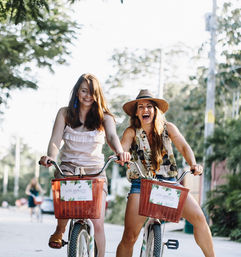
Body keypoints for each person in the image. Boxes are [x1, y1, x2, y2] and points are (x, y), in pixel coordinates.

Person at [116, 89, 216, 257]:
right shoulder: (131, 132)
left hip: (169, 182)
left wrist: (193, 164)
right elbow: (123, 148)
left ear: (155, 110)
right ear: (136, 113)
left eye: (149, 106)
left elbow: (183, 147)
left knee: (199, 219)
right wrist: (122, 155)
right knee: (129, 236)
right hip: (141, 183)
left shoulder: (168, 128)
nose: (145, 110)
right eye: (140, 107)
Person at [39, 73, 130, 257]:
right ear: (77, 92)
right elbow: (56, 140)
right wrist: (50, 157)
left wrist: (120, 152)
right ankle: (60, 230)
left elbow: (112, 137)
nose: (88, 95)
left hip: (95, 171)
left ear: (98, 95)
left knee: (97, 222)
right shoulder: (65, 113)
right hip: (69, 167)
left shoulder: (105, 117)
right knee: (66, 200)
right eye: (83, 91)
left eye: (92, 92)